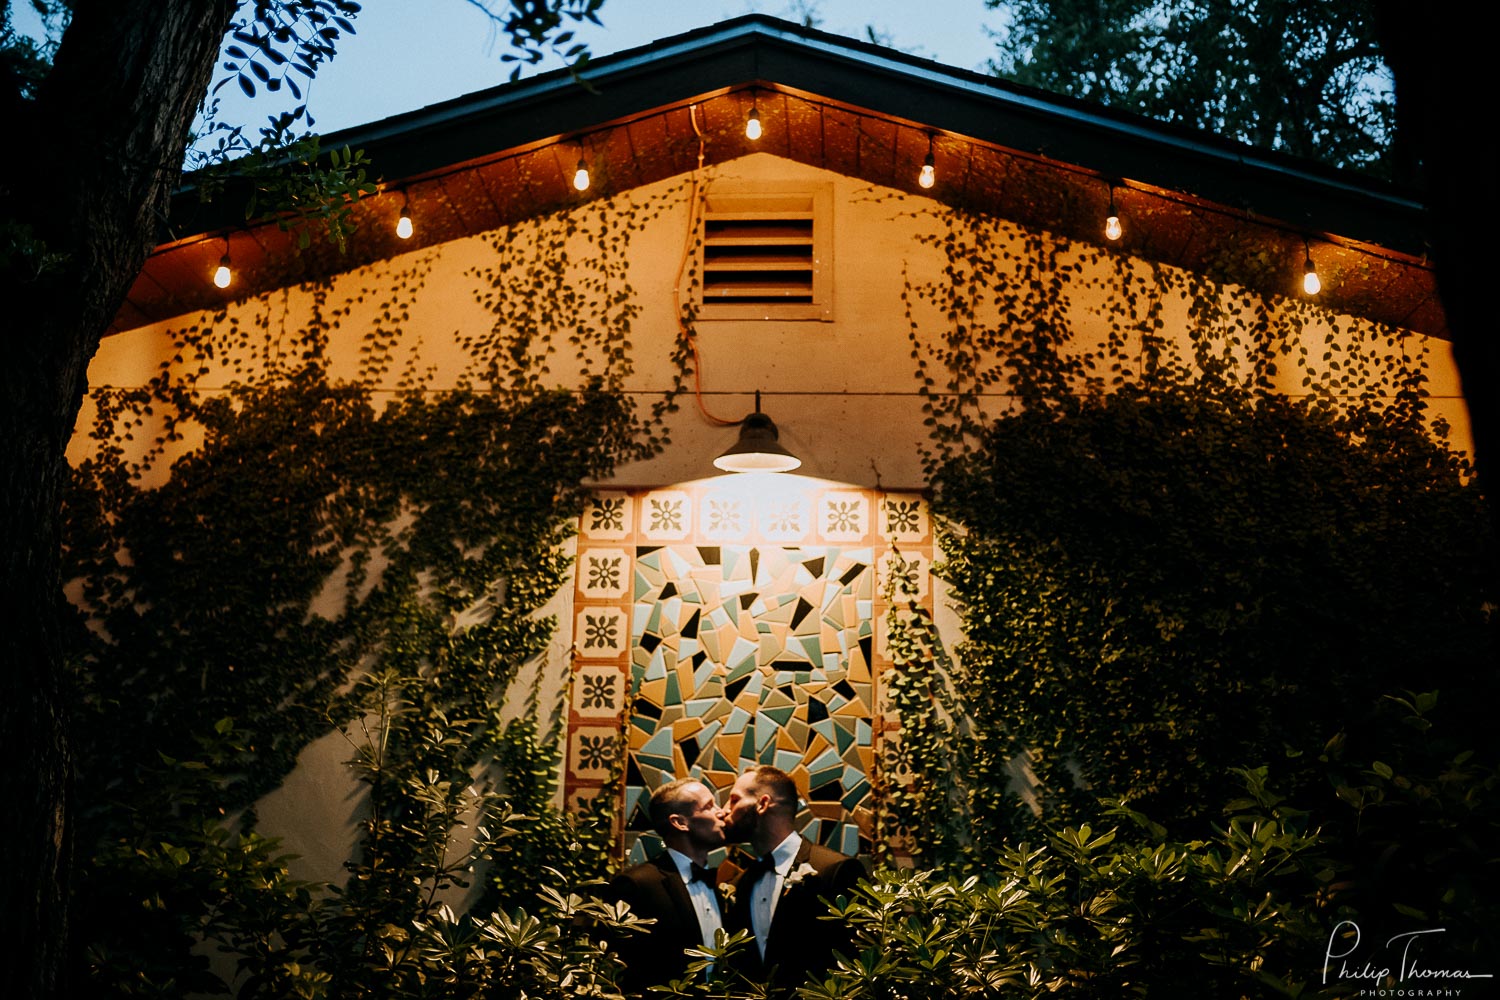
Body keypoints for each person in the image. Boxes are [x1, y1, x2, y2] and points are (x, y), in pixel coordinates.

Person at [719, 765, 867, 991]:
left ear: (762, 804)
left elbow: (859, 962)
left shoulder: (835, 870)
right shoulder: (740, 885)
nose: (723, 811)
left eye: (733, 800)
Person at [603, 777, 727, 994]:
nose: (721, 812)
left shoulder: (717, 887)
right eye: (709, 806)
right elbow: (621, 972)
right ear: (680, 822)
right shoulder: (636, 885)